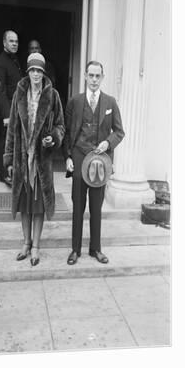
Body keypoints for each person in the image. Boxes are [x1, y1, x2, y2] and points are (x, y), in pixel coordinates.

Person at [3, 52, 65, 266]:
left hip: (41, 161)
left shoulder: (53, 95)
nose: (36, 74)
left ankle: (36, 246)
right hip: (22, 159)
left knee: (38, 206)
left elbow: (60, 126)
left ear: (43, 73)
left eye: (39, 70)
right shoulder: (19, 95)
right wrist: (9, 159)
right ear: (28, 72)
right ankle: (26, 243)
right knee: (24, 205)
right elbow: (12, 129)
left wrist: (53, 138)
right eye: (33, 70)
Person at [63, 60, 125, 265]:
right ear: (85, 76)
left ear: (103, 77)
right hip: (80, 159)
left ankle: (96, 249)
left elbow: (119, 131)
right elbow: (67, 133)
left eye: (98, 76)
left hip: (100, 162)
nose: (94, 80)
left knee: (96, 207)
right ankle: (75, 250)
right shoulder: (75, 101)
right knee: (78, 206)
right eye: (91, 75)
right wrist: (68, 157)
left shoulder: (110, 102)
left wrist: (108, 143)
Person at [0, 30, 23, 185]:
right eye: (11, 41)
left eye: (16, 41)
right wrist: (6, 115)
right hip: (7, 112)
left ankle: (13, 171)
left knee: (15, 142)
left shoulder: (14, 60)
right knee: (6, 143)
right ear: (4, 43)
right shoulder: (0, 63)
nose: (14, 44)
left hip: (17, 109)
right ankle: (5, 174)